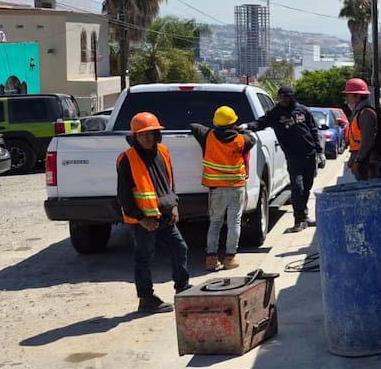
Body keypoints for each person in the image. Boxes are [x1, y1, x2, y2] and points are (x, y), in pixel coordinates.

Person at [116, 111, 190, 314]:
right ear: (134, 137)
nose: (147, 138)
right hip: (144, 220)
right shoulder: (127, 159)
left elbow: (170, 182)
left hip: (165, 214)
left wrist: (174, 205)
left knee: (180, 247)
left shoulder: (163, 151)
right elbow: (123, 195)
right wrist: (140, 218)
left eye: (151, 133)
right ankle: (146, 299)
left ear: (158, 133)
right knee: (144, 258)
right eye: (142, 134)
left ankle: (183, 289)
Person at [244, 84, 324, 231]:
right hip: (293, 157)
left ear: (292, 97)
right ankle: (298, 220)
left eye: (286, 97)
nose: (283, 99)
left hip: (309, 154)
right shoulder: (275, 113)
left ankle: (304, 216)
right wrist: (246, 126)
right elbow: (260, 123)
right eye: (281, 97)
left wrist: (320, 152)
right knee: (297, 187)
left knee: (307, 187)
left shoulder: (302, 110)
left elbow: (313, 129)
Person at [190, 105, 256, 271]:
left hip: (216, 188)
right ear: (234, 123)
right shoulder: (242, 140)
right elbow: (252, 138)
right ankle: (230, 258)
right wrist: (240, 130)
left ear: (216, 123)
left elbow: (193, 126)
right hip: (236, 188)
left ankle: (211, 259)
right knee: (234, 222)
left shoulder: (208, 136)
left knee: (215, 222)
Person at [343, 77, 381, 181]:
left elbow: (367, 141)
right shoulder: (359, 112)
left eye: (348, 95)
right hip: (365, 161)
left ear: (358, 96)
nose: (346, 99)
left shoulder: (365, 113)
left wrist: (357, 161)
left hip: (368, 162)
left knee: (369, 193)